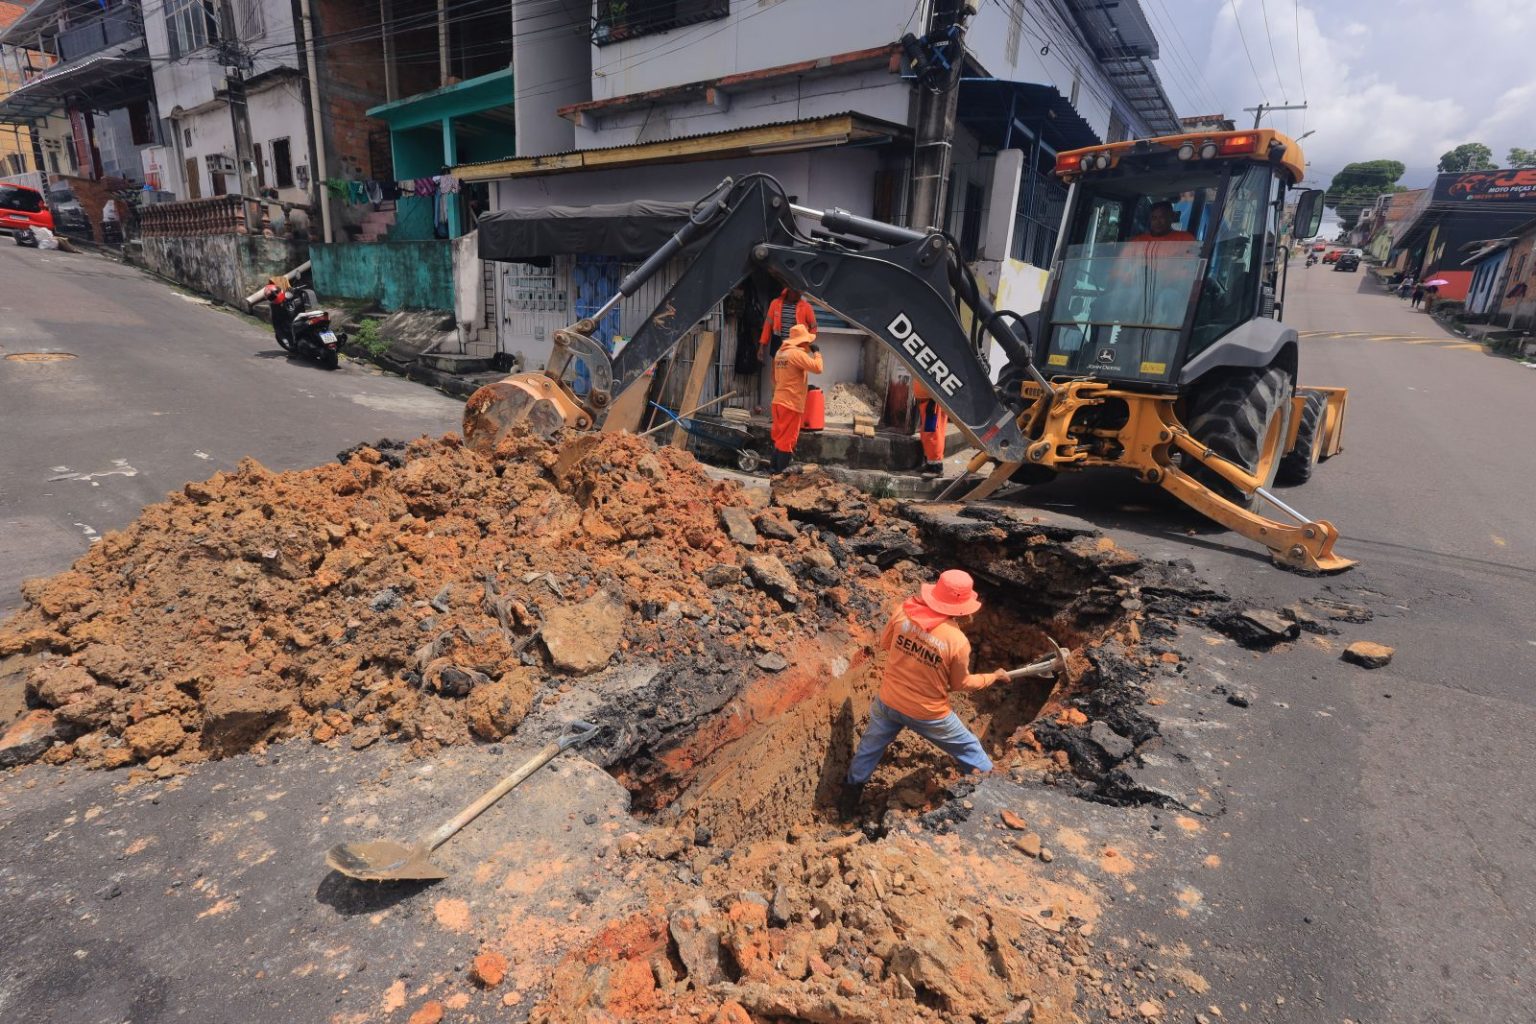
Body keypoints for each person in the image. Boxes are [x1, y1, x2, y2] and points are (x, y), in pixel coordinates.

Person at [839, 570, 1011, 819]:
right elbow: (960, 684)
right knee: (970, 748)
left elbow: (886, 644)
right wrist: (993, 677)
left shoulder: (903, 611)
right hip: (928, 714)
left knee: (868, 750)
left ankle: (846, 806)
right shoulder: (956, 641)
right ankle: (993, 803)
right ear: (962, 607)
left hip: (888, 701)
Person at [769, 323, 823, 472]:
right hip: (791, 403)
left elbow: (777, 377)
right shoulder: (796, 354)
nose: (809, 344)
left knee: (779, 438)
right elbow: (818, 368)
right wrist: (817, 353)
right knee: (787, 440)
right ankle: (781, 476)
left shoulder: (780, 353)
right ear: (802, 341)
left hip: (778, 400)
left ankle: (773, 470)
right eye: (807, 341)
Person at [758, 287, 817, 359]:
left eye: (800, 293)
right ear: (789, 291)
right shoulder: (775, 304)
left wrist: (807, 343)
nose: (799, 295)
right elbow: (767, 326)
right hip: (778, 345)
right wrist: (761, 346)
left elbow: (814, 327)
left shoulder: (806, 307)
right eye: (796, 292)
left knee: (794, 370)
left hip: (796, 347)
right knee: (777, 370)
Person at [912, 379, 947, 474]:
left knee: (933, 433)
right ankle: (930, 464)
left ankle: (936, 468)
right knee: (927, 433)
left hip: (933, 400)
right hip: (929, 399)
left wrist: (934, 398)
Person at [1130, 200, 1196, 243]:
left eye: (1162, 217)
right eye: (1154, 218)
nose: (1157, 222)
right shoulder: (1138, 241)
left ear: (1172, 217)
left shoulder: (1185, 239)